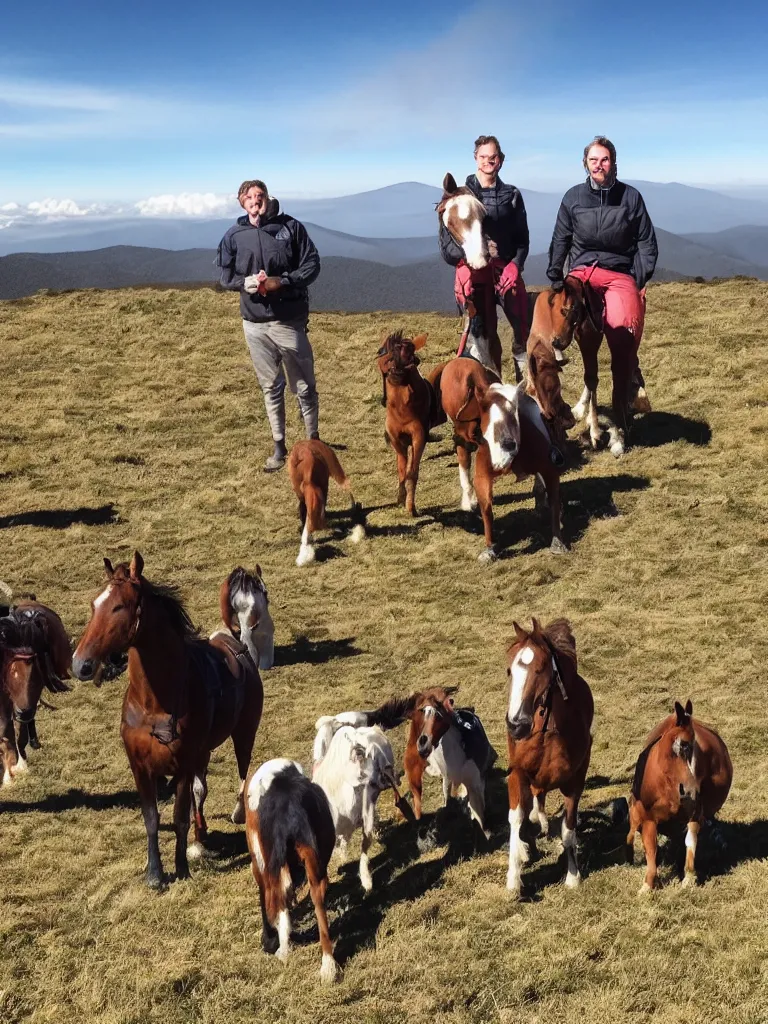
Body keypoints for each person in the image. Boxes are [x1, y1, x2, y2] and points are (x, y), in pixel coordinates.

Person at [217, 179, 321, 472]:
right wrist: (243, 283)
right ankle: (279, 447)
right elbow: (224, 276)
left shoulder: (291, 228)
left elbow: (312, 263)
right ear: (242, 203)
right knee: (270, 386)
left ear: (267, 198)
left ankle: (313, 441)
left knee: (303, 386)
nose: (255, 200)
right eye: (248, 197)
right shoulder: (234, 235)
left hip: (288, 320)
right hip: (254, 323)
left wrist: (284, 281)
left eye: (259, 195)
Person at [547, 136, 658, 408]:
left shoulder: (630, 197)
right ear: (585, 164)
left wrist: (637, 278)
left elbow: (646, 242)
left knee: (622, 336)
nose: (599, 165)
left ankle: (623, 409)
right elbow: (561, 238)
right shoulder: (573, 197)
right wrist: (555, 273)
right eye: (593, 160)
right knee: (557, 322)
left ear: (614, 163)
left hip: (620, 272)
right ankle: (551, 393)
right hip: (582, 271)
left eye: (604, 160)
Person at [439, 135, 530, 380]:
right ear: (475, 159)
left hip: (505, 271)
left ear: (500, 160)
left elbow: (522, 238)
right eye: (483, 157)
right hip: (474, 272)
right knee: (480, 336)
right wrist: (461, 262)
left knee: (523, 327)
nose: (488, 161)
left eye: (493, 157)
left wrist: (516, 265)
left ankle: (526, 387)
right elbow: (446, 241)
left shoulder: (512, 195)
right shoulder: (457, 195)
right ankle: (489, 388)